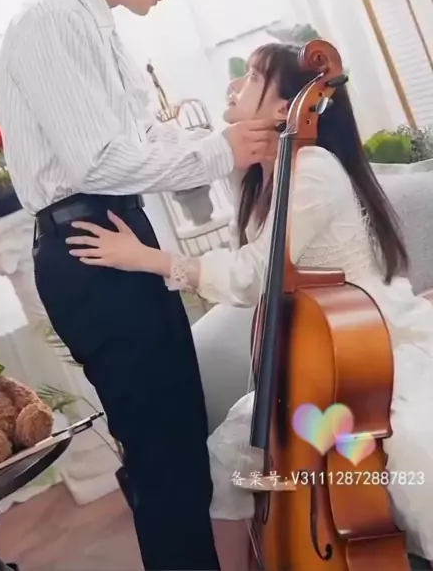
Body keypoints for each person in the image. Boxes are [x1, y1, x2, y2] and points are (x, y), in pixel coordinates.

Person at [0, 0, 277, 571]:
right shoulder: (50, 23)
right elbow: (95, 160)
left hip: (116, 232)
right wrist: (218, 151)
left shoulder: (98, 29)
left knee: (176, 444)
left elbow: (144, 139)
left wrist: (220, 149)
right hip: (87, 244)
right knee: (162, 454)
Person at [66, 41, 433, 571]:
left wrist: (143, 257)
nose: (234, 85)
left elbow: (251, 275)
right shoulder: (269, 171)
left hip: (363, 353)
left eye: (254, 78)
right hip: (318, 360)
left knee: (409, 453)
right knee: (238, 467)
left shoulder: (312, 169)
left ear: (286, 108)